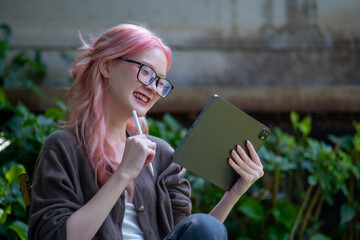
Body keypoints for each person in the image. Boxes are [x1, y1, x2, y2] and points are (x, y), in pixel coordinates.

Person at [27, 23, 264, 240]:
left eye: (160, 81)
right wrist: (123, 174)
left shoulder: (160, 155)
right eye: (146, 72)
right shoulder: (63, 147)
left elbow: (188, 234)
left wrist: (233, 193)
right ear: (107, 66)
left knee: (207, 227)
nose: (152, 88)